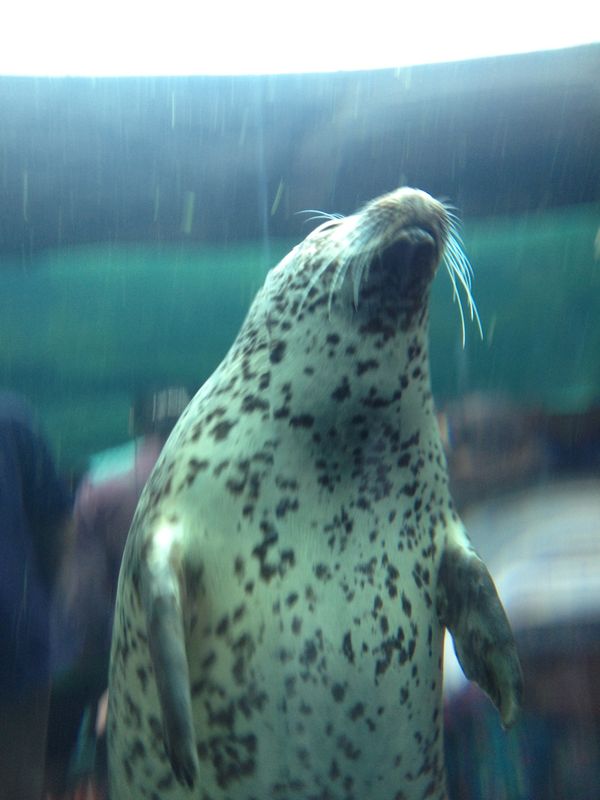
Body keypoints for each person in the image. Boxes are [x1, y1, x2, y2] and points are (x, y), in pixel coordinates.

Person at [52, 386, 190, 797]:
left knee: (61, 757)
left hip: (93, 651)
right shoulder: (219, 484)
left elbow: (83, 595)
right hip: (184, 656)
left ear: (137, 424)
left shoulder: (102, 485)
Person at [0, 391, 72, 800]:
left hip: (18, 639)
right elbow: (57, 526)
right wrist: (37, 602)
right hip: (16, 634)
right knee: (17, 782)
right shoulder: (12, 418)